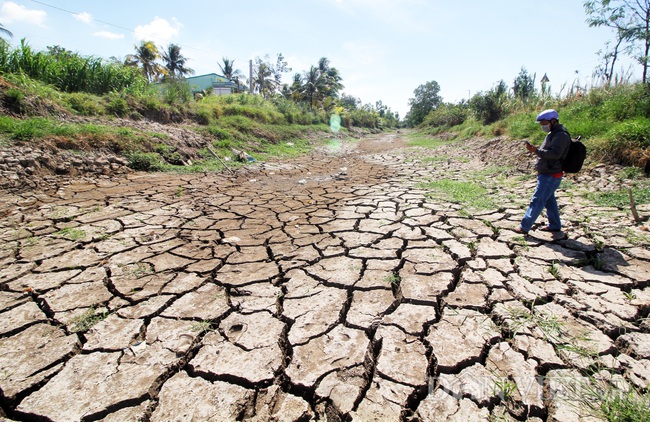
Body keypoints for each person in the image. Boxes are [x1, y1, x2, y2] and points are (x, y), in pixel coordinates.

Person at [514, 109, 571, 235]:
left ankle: (525, 226)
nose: (542, 126)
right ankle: (555, 225)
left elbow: (555, 154)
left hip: (551, 175)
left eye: (544, 123)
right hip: (547, 173)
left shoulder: (561, 135)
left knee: (537, 200)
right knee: (549, 201)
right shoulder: (552, 134)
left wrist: (535, 151)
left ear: (553, 121)